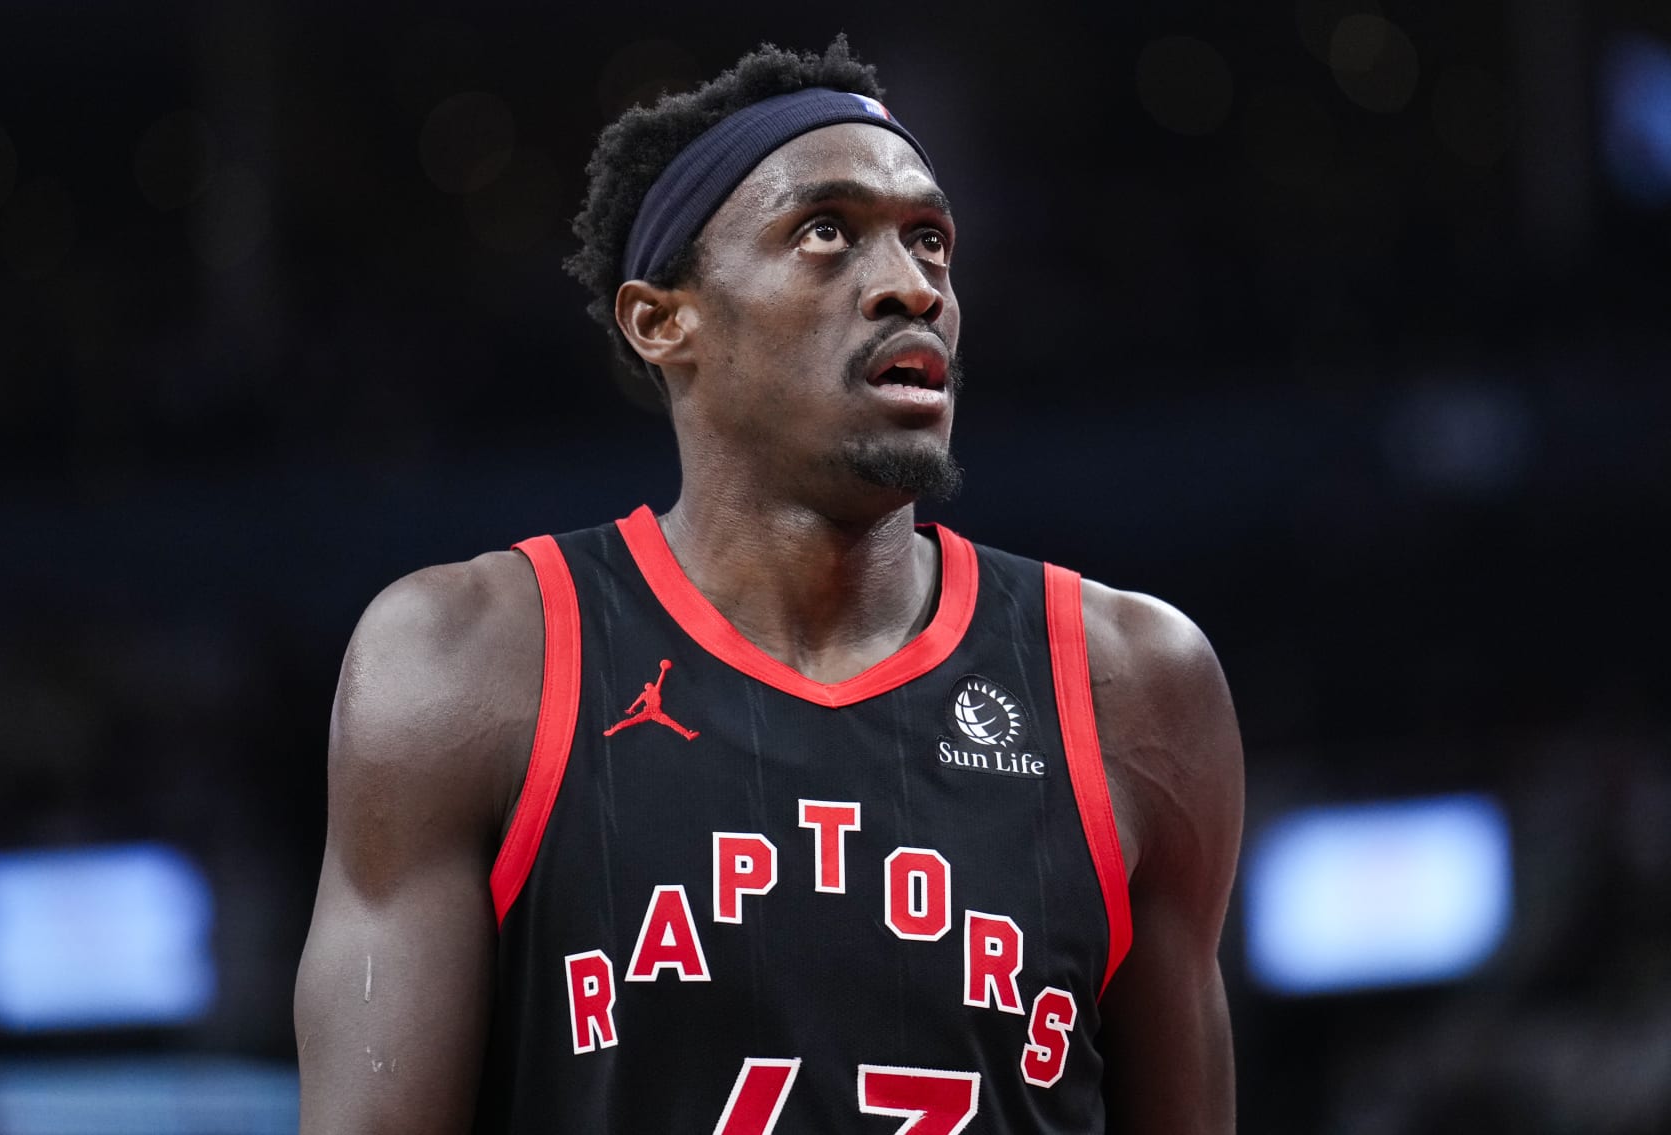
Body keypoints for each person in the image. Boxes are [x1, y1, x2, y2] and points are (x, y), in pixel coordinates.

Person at [294, 36, 1244, 1134]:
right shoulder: (469, 659)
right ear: (665, 322)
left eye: (930, 241)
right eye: (827, 232)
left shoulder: (1133, 682)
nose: (910, 285)